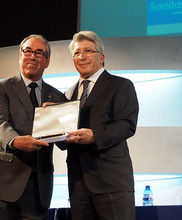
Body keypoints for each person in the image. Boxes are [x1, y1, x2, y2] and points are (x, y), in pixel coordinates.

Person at [65, 30, 139, 220]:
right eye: (77, 53)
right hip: (78, 183)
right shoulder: (67, 95)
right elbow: (62, 140)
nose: (82, 57)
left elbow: (127, 125)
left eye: (88, 51)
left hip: (112, 182)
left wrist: (94, 136)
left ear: (102, 57)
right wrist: (49, 121)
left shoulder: (121, 85)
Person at [0, 34, 66, 220]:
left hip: (39, 187)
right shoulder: (3, 88)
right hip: (5, 184)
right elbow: (0, 123)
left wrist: (60, 119)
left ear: (47, 61)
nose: (32, 56)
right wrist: (15, 141)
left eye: (39, 52)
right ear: (20, 55)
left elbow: (65, 141)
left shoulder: (57, 97)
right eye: (28, 51)